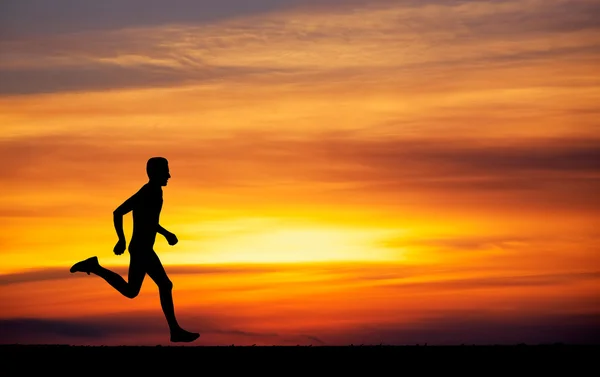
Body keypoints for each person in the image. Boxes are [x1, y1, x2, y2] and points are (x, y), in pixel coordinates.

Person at [70, 157, 199, 343]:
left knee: (132, 291)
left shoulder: (153, 191)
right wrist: (121, 240)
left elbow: (148, 221)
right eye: (165, 171)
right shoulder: (149, 192)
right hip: (141, 249)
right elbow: (118, 212)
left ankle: (95, 266)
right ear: (155, 173)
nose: (169, 175)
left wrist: (164, 233)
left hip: (143, 248)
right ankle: (175, 331)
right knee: (164, 285)